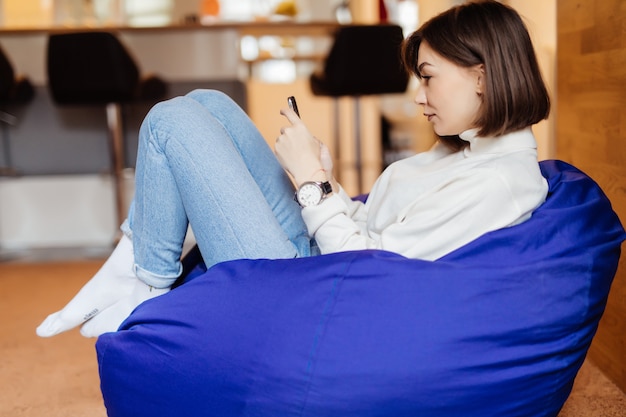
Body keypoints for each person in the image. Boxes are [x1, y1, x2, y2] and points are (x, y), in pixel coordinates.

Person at [36, 0, 550, 338]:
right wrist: (328, 182)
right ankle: (133, 266)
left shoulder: (500, 183)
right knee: (209, 103)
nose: (419, 97)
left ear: (481, 78)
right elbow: (376, 229)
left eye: (428, 77)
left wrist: (312, 185)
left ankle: (144, 287)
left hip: (315, 297)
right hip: (319, 263)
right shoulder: (466, 150)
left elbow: (376, 274)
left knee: (170, 122)